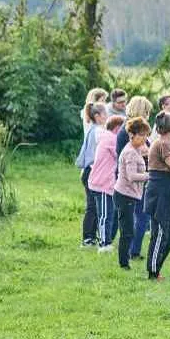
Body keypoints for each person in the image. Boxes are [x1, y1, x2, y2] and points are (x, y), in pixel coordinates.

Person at [144, 112, 170, 281]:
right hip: (160, 192)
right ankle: (153, 272)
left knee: (169, 234)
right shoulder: (164, 144)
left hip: (163, 192)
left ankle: (156, 268)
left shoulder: (166, 144)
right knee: (160, 233)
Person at [115, 96, 154, 260]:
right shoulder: (131, 132)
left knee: (135, 218)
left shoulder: (128, 129)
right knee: (142, 216)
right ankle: (133, 251)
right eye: (148, 112)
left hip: (130, 178)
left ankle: (130, 249)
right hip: (134, 179)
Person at [88, 115, 125, 253]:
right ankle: (104, 244)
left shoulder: (107, 137)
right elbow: (121, 154)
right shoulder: (111, 139)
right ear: (117, 128)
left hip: (104, 183)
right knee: (105, 215)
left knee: (110, 213)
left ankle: (106, 240)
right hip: (103, 183)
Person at [75, 101, 107, 247]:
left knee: (94, 205)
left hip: (89, 171)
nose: (107, 116)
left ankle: (92, 236)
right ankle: (88, 238)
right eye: (105, 114)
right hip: (91, 171)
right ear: (97, 116)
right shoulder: (99, 132)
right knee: (93, 206)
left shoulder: (94, 129)